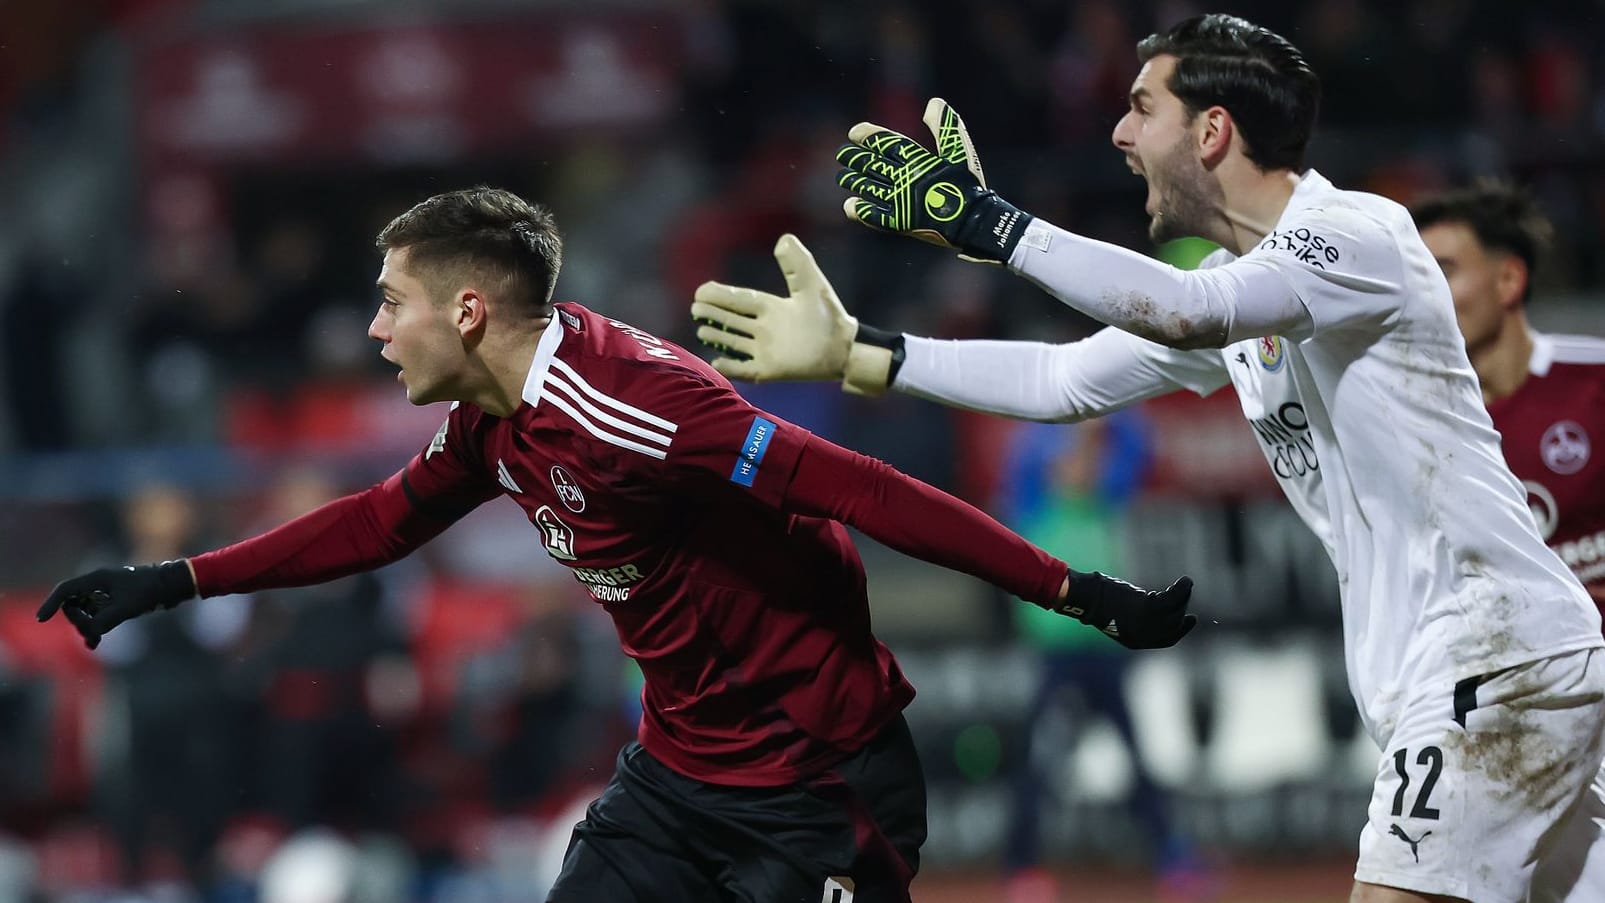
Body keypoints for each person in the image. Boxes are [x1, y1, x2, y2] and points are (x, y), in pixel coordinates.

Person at [36, 187, 1196, 903]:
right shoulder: (488, 425)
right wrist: (179, 579)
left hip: (818, 779)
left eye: (395, 301)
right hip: (676, 785)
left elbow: (868, 490)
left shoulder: (639, 406)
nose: (378, 327)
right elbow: (381, 520)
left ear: (471, 313)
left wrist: (1079, 593)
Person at [689, 14, 1605, 903]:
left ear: (1211, 132)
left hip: (1492, 651)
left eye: (1140, 107)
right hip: (1455, 666)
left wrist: (995, 226)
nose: (1119, 134)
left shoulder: (1358, 236)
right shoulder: (1236, 294)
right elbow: (1063, 379)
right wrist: (864, 351)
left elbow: (1177, 311)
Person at [1411, 182, 1605, 608]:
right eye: (1415, 275)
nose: (1423, 294)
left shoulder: (1595, 381)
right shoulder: (1421, 429)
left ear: (1508, 280)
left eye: (1442, 271)